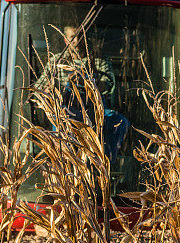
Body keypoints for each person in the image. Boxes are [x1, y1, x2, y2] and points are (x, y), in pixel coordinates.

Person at [35, 25, 130, 165]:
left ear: (87, 39)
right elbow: (38, 88)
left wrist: (89, 82)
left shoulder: (99, 60)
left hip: (96, 114)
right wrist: (49, 90)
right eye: (73, 37)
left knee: (120, 122)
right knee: (60, 120)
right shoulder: (56, 61)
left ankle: (104, 163)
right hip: (67, 112)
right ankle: (64, 164)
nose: (77, 41)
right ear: (66, 40)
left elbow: (109, 85)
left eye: (81, 37)